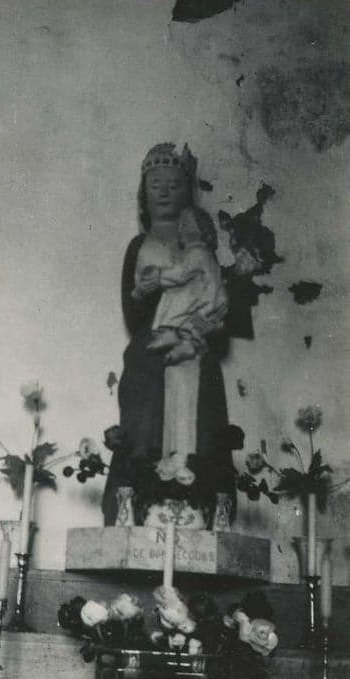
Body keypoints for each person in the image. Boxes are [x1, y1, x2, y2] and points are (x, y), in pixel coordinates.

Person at [102, 143, 235, 525]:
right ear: (143, 193)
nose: (164, 192)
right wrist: (149, 292)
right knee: (146, 424)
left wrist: (200, 326)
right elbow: (132, 314)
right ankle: (138, 501)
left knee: (199, 425)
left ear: (187, 194)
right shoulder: (139, 246)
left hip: (196, 347)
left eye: (174, 185)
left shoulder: (200, 248)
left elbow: (216, 299)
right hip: (152, 348)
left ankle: (201, 506)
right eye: (155, 184)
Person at [133, 206, 228, 364]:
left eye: (185, 224)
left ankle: (170, 332)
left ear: (201, 229)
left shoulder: (197, 252)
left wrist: (159, 275)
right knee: (192, 325)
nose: (180, 229)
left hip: (208, 302)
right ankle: (188, 345)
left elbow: (180, 275)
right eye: (180, 225)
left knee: (172, 293)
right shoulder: (205, 254)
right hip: (214, 303)